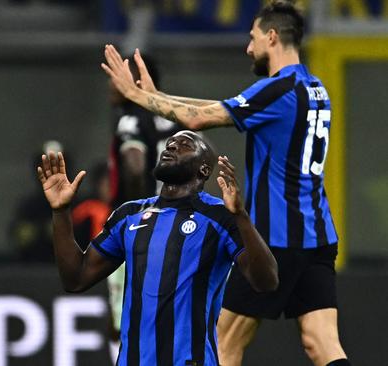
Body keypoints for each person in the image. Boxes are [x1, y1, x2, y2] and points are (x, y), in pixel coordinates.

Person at [101, 2, 350, 365]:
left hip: (275, 238)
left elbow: (200, 119)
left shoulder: (276, 89)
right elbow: (214, 106)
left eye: (253, 39)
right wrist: (158, 98)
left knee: (220, 343)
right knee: (322, 344)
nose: (249, 48)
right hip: (317, 238)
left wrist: (140, 98)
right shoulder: (315, 89)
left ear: (272, 37)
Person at [38, 131, 278, 365]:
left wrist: (242, 217)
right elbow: (75, 279)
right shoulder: (129, 214)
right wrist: (60, 211)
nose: (171, 147)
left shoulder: (220, 217)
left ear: (204, 170)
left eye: (185, 144)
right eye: (170, 143)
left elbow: (267, 281)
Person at [106, 53, 185, 360]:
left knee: (123, 323)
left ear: (135, 82)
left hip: (141, 232)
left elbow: (135, 165)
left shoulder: (130, 118)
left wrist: (139, 218)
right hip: (179, 231)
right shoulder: (177, 117)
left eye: (115, 77)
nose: (110, 87)